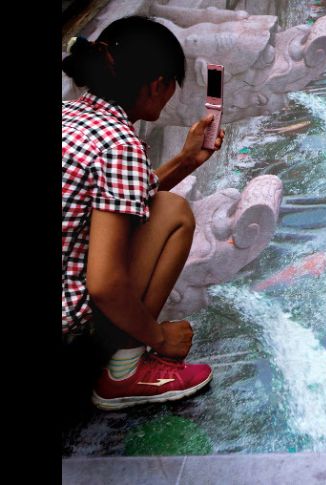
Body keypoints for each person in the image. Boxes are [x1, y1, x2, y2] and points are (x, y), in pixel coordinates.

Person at [61, 16, 224, 411]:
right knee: (172, 213)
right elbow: (104, 283)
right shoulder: (119, 144)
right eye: (171, 86)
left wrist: (185, 162)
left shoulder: (70, 116)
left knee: (159, 203)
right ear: (158, 85)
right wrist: (159, 337)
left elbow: (117, 200)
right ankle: (123, 372)